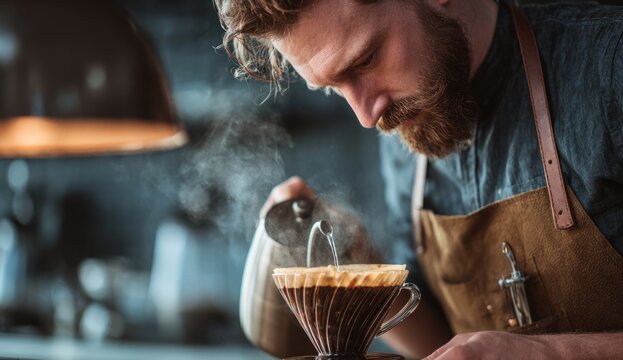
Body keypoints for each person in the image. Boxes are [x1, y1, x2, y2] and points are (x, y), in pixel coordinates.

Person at [215, 0, 623, 358]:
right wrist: (359, 265)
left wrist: (545, 355)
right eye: (332, 88)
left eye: (364, 60)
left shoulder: (610, 66)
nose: (366, 116)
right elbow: (441, 342)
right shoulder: (405, 124)